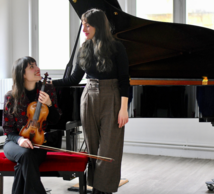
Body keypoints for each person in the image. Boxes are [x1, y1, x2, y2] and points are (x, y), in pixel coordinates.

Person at [52, 8, 130, 194]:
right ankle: (96, 188)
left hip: (112, 96)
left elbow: (124, 80)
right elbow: (72, 80)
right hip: (88, 97)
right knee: (93, 149)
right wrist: (47, 83)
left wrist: (124, 109)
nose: (84, 28)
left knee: (109, 149)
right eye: (83, 23)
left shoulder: (117, 47)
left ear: (98, 25)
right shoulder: (84, 48)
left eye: (88, 24)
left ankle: (104, 190)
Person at [2, 56, 61, 194]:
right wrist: (20, 140)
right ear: (22, 74)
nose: (37, 69)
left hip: (38, 143)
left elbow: (55, 120)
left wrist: (49, 104)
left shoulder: (48, 89)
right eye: (31, 67)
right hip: (14, 143)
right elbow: (8, 130)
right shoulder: (11, 97)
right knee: (25, 155)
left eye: (36, 65)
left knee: (24, 161)